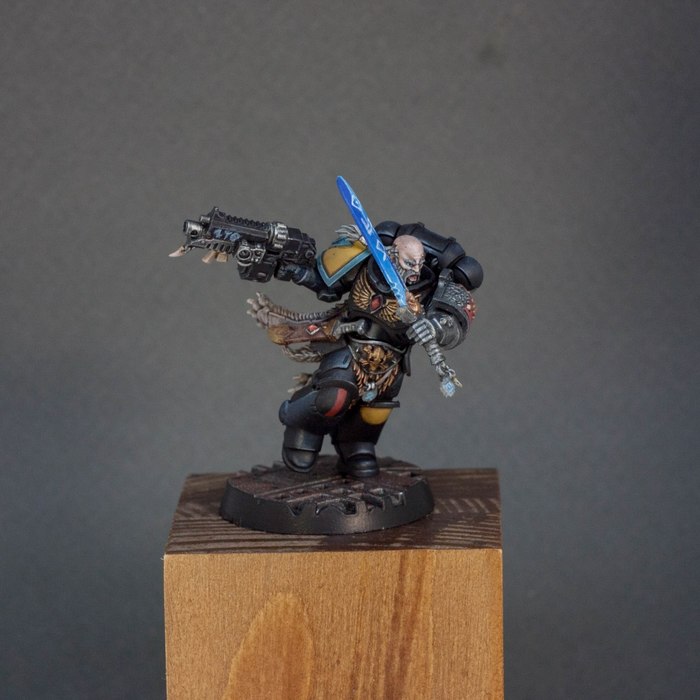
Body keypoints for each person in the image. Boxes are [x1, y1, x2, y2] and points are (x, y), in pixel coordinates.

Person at [249, 220, 483, 478]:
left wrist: (435, 326)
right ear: (392, 255)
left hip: (392, 360)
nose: (415, 271)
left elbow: (455, 319)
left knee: (375, 411)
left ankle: (356, 446)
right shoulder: (367, 266)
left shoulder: (430, 287)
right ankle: (302, 429)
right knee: (332, 398)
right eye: (409, 263)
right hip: (352, 346)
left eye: (420, 263)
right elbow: (325, 284)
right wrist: (291, 270)